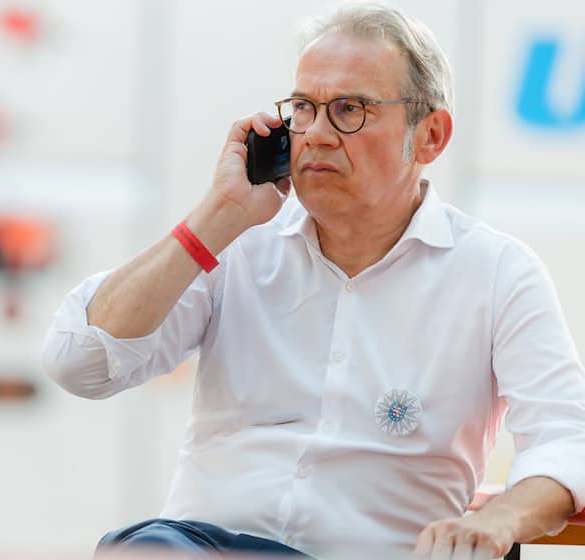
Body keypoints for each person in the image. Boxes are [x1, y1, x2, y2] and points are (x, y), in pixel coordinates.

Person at [40, 3, 585, 559]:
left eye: (350, 109)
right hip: (199, 545)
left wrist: (499, 520)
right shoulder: (236, 243)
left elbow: (568, 439)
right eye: (304, 108)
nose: (317, 135)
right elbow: (78, 364)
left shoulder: (496, 273)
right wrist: (218, 215)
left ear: (430, 136)